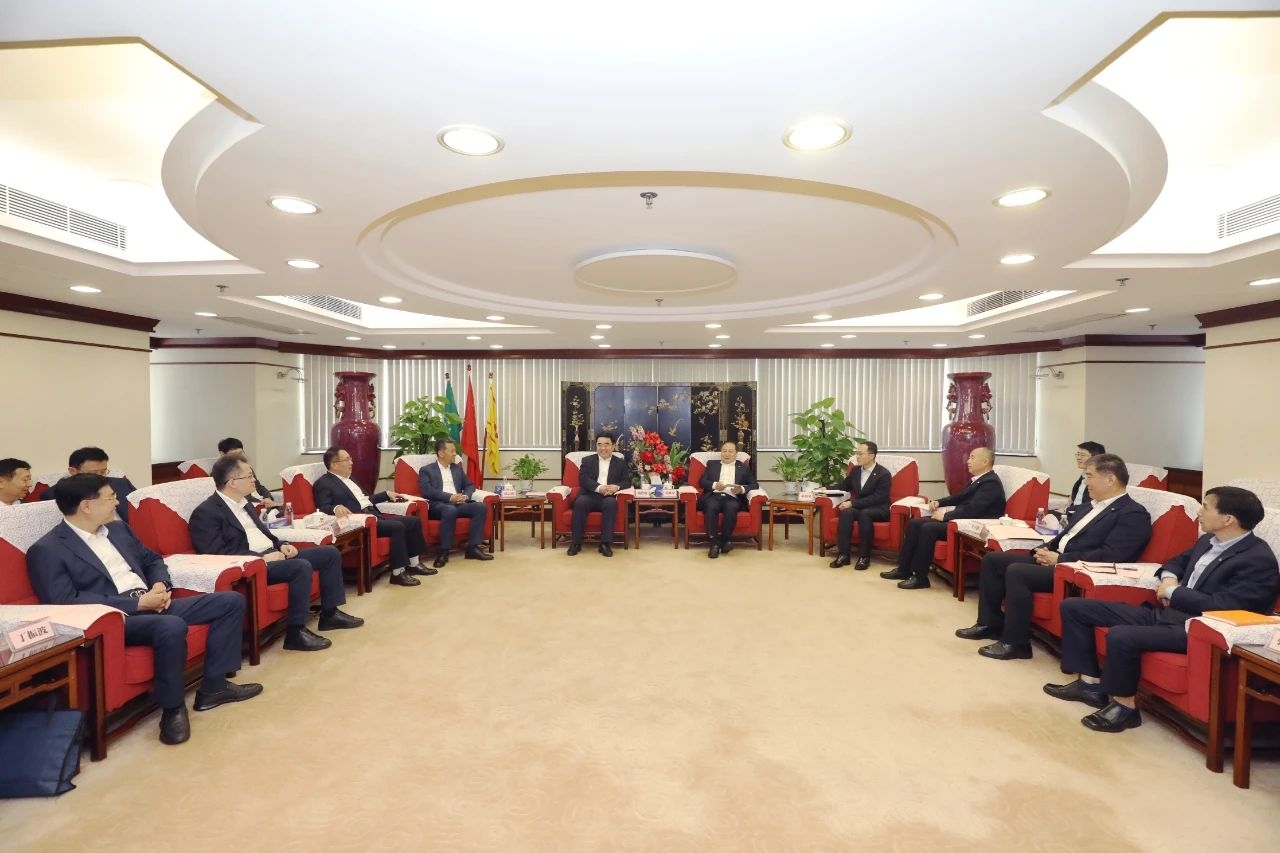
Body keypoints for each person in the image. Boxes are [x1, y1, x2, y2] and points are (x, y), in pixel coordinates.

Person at [27, 473, 262, 745]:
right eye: (110, 498)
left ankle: (214, 687)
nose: (117, 503)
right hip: (117, 617)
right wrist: (137, 604)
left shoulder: (118, 530)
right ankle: (173, 709)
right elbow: (66, 601)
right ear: (86, 506)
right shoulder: (47, 550)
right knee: (170, 626)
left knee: (230, 601)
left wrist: (160, 584)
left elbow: (152, 559)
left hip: (152, 601)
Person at [1044, 486, 1279, 733]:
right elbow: (1174, 562)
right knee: (1075, 607)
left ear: (1228, 519)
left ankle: (1125, 708)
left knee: (1121, 635)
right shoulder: (1208, 541)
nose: (1198, 513)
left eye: (1205, 507)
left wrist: (1174, 593)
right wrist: (1169, 580)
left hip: (1194, 627)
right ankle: (1090, 686)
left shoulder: (1257, 559)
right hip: (1165, 613)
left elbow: (1224, 606)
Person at [956, 453, 1151, 660]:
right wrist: (1043, 550)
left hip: (1075, 569)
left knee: (1017, 572)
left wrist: (1060, 560)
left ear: (1110, 479)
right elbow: (1065, 536)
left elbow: (1113, 554)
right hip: (1056, 559)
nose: (1086, 482)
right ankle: (989, 624)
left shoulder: (1132, 514)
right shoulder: (1088, 506)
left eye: (1089, 476)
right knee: (993, 560)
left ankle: (1016, 643)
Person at [189, 455, 362, 651]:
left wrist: (282, 545)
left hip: (273, 554)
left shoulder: (245, 504)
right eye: (249, 476)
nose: (254, 480)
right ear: (232, 482)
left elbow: (265, 533)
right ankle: (295, 633)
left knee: (329, 553)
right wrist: (261, 558)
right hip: (253, 566)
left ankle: (330, 615)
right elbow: (215, 553)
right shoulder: (207, 513)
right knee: (300, 567)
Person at [881, 447, 1005, 590]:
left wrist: (946, 516)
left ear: (985, 462)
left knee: (928, 528)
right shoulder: (979, 480)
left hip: (973, 526)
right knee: (915, 524)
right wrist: (939, 502)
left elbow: (974, 509)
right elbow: (959, 497)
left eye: (972, 457)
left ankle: (920, 577)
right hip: (961, 520)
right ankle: (903, 569)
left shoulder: (991, 484)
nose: (968, 461)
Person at [312, 446, 432, 586]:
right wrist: (336, 508)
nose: (351, 462)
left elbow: (366, 499)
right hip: (360, 521)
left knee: (413, 521)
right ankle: (398, 573)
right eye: (347, 460)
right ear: (334, 464)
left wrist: (386, 494)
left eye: (351, 459)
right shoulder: (323, 483)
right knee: (397, 527)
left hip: (374, 514)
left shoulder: (351, 479)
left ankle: (414, 564)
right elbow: (323, 507)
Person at [417, 438, 494, 568]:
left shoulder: (456, 469)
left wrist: (465, 496)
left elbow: (469, 485)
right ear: (441, 453)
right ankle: (444, 551)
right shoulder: (426, 470)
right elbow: (427, 491)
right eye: (452, 451)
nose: (455, 454)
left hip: (458, 504)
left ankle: (473, 548)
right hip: (439, 506)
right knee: (449, 510)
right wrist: (450, 497)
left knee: (480, 507)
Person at [827, 441, 892, 570]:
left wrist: (853, 503)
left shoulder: (884, 474)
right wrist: (826, 489)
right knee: (846, 512)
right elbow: (844, 486)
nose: (857, 457)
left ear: (872, 456)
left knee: (864, 514)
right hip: (861, 507)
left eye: (860, 454)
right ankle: (843, 555)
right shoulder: (856, 470)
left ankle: (864, 557)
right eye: (857, 453)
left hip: (879, 508)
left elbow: (878, 497)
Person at [568, 434, 630, 557]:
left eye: (606, 444)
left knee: (611, 504)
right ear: (596, 446)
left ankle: (605, 543)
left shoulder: (620, 463)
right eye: (599, 445)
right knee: (580, 503)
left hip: (608, 496)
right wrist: (599, 488)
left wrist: (616, 487)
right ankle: (576, 542)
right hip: (590, 494)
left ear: (613, 446)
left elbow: (627, 481)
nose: (603, 448)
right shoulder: (587, 460)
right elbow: (583, 479)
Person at [697, 441, 758, 558]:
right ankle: (714, 543)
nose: (727, 454)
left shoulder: (743, 467)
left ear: (736, 454)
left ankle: (725, 540)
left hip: (732, 497)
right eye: (724, 451)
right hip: (713, 495)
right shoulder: (712, 464)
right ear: (721, 452)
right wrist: (715, 485)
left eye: (730, 451)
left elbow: (754, 485)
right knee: (711, 506)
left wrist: (741, 489)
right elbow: (702, 481)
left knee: (731, 507)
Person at [63, 447, 139, 522]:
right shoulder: (62, 494)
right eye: (93, 473)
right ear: (73, 471)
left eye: (103, 472)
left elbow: (140, 513)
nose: (100, 478)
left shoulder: (122, 484)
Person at [217, 437, 279, 509]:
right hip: (251, 507)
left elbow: (259, 486)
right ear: (222, 454)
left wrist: (267, 497)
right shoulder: (221, 474)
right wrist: (261, 503)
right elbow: (238, 496)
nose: (238, 457)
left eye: (240, 453)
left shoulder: (246, 468)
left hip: (263, 504)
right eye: (234, 454)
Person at [1061, 441, 1106, 520]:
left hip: (1083, 518)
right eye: (1078, 454)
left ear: (1095, 458)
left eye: (1082, 455)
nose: (1078, 458)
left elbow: (1090, 505)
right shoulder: (1083, 475)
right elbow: (1074, 499)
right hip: (1072, 514)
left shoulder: (1099, 480)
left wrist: (1066, 510)